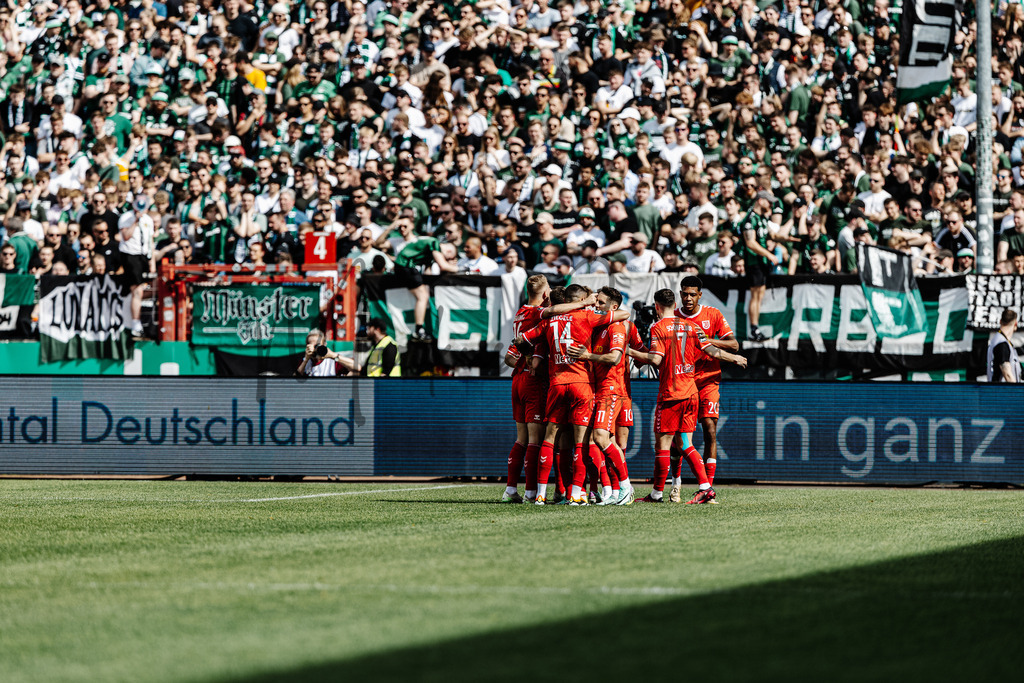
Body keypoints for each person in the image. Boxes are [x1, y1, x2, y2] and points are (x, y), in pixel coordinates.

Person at [628, 289, 747, 504]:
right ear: (675, 304)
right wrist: (734, 358)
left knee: (663, 445)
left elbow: (655, 359)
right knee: (684, 443)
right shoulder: (692, 326)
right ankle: (705, 487)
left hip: (672, 393)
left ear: (656, 306)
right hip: (691, 392)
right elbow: (711, 351)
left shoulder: (657, 327)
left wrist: (629, 352)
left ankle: (656, 494)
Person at [517, 284, 629, 505]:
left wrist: (528, 357)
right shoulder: (587, 316)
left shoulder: (549, 321)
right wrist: (590, 307)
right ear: (581, 300)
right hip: (581, 384)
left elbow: (521, 340)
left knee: (550, 439)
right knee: (582, 442)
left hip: (556, 383)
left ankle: (540, 494)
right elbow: (623, 314)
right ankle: (578, 493)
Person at [669, 277, 738, 502]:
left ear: (700, 295)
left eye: (692, 294)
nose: (688, 298)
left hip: (708, 380)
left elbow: (734, 345)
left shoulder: (713, 314)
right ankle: (676, 485)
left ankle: (708, 487)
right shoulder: (674, 317)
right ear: (680, 294)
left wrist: (707, 340)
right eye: (684, 294)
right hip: (683, 381)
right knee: (677, 437)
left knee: (709, 429)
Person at [565, 286, 635, 506]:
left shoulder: (616, 328)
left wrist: (588, 355)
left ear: (613, 307)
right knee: (609, 440)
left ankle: (625, 485)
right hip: (599, 388)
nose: (596, 305)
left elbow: (615, 358)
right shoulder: (598, 326)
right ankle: (615, 491)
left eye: (601, 303)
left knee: (600, 438)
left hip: (611, 388)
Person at [501, 275, 551, 503]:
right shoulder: (535, 313)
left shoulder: (520, 312)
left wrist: (523, 361)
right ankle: (531, 492)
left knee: (521, 438)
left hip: (517, 380)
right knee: (534, 440)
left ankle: (511, 490)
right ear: (543, 294)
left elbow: (508, 358)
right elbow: (553, 312)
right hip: (532, 381)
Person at [393, 237, 458, 340]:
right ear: (449, 251)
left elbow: (428, 273)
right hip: (405, 266)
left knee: (423, 295)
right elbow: (443, 265)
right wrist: (460, 268)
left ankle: (419, 328)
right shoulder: (434, 243)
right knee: (422, 297)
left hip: (404, 266)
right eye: (449, 258)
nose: (447, 260)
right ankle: (419, 329)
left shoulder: (429, 250)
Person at [987, 308, 1020, 383]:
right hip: (1002, 392)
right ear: (1015, 324)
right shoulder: (1002, 344)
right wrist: (1017, 392)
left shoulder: (999, 340)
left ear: (1000, 321)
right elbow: (1007, 374)